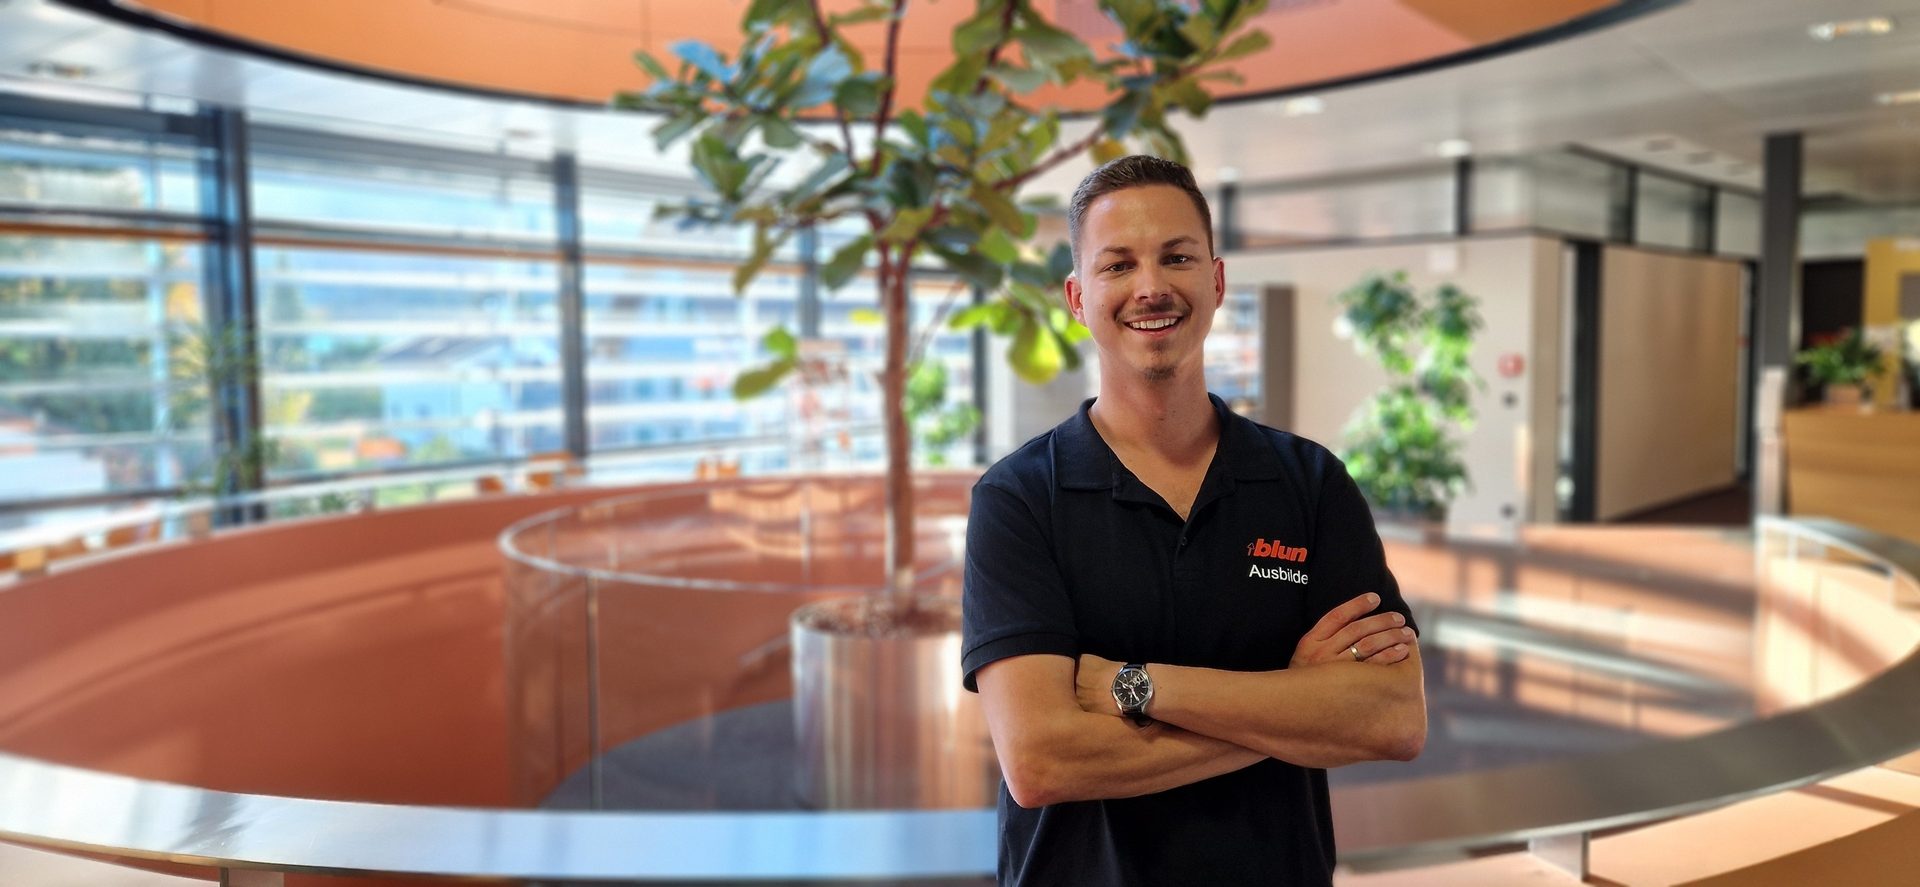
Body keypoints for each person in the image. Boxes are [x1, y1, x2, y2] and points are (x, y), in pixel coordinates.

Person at [961, 155, 1427, 887]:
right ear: (1078, 298)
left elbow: (1392, 718)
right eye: (1119, 265)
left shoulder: (1309, 484)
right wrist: (1290, 704)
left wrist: (1134, 685)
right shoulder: (1020, 498)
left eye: (1176, 256)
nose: (1151, 285)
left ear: (1215, 281)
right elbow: (1042, 760)